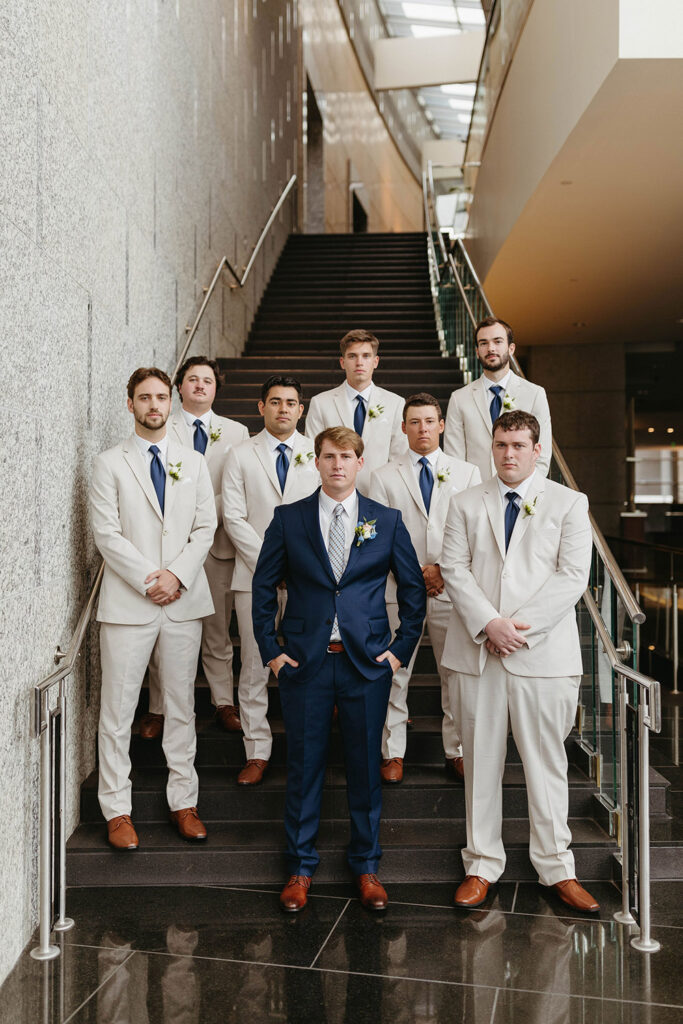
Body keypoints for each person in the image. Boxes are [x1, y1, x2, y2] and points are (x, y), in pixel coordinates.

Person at [252, 426, 426, 913]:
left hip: (365, 665)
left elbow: (413, 591)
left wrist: (399, 651)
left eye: (346, 457)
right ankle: (299, 868)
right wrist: (271, 651)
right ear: (316, 461)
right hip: (304, 663)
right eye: (329, 456)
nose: (337, 465)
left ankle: (366, 866)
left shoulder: (385, 520)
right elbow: (263, 588)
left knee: (366, 769)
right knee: (303, 768)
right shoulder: (289, 518)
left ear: (359, 463)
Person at [440, 409, 599, 913]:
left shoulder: (569, 503)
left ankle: (557, 867)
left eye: (518, 445)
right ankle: (481, 864)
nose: (508, 454)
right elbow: (454, 569)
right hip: (478, 652)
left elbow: (572, 576)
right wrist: (490, 624)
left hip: (543, 656)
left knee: (547, 765)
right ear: (492, 447)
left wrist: (515, 630)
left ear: (537, 450)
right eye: (501, 444)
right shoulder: (465, 502)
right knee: (479, 764)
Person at [90, 367, 216, 848]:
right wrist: (151, 580)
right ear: (130, 405)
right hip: (129, 604)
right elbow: (106, 534)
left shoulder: (194, 462)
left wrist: (176, 576)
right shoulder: (109, 463)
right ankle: (116, 809)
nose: (154, 405)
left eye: (161, 397)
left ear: (171, 402)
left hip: (182, 601)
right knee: (118, 710)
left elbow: (205, 528)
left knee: (181, 707)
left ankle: (184, 801)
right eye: (144, 398)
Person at [369, 393, 481, 784]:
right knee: (394, 672)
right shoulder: (383, 476)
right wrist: (413, 574)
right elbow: (377, 536)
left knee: (455, 673)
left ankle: (457, 751)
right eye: (414, 422)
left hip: (453, 589)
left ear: (442, 425)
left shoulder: (467, 473)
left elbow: (475, 534)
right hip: (398, 588)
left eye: (430, 421)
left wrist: (443, 571)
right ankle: (392, 752)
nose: (423, 429)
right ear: (403, 428)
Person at [141, 356, 248, 741]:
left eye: (208, 380)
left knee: (217, 631)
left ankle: (223, 702)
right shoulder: (161, 427)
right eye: (192, 379)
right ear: (179, 388)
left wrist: (203, 515)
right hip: (168, 548)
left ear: (216, 389)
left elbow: (237, 488)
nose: (200, 385)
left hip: (217, 545)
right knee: (165, 630)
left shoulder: (237, 432)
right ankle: (158, 708)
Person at [221, 375, 319, 785]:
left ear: (301, 410)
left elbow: (325, 512)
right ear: (261, 407)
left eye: (290, 402)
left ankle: (306, 749)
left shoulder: (317, 452)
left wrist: (295, 565)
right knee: (255, 663)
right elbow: (233, 517)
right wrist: (270, 565)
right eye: (275, 401)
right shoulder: (239, 454)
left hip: (307, 579)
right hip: (253, 577)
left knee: (307, 662)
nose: (283, 408)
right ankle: (256, 751)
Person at [443, 317, 552, 479]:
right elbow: (454, 458)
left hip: (520, 490)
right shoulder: (459, 398)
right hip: (476, 490)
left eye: (498, 341)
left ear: (511, 348)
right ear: (477, 352)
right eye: (483, 343)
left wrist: (522, 490)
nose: (491, 348)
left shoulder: (535, 394)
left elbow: (541, 457)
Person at [305, 328, 408, 494]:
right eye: (352, 356)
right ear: (342, 362)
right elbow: (313, 456)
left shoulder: (395, 403)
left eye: (366, 356)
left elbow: (398, 459)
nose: (359, 362)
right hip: (334, 494)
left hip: (379, 495)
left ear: (375, 361)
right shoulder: (320, 403)